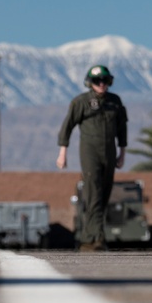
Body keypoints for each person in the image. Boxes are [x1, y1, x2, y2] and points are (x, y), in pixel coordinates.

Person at [56, 64, 128, 252]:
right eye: (97, 81)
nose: (101, 84)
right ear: (90, 83)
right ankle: (94, 238)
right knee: (93, 193)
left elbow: (122, 128)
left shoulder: (115, 102)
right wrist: (62, 153)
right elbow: (68, 125)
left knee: (104, 194)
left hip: (110, 152)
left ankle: (91, 238)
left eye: (104, 81)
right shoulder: (81, 102)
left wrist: (122, 153)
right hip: (90, 152)